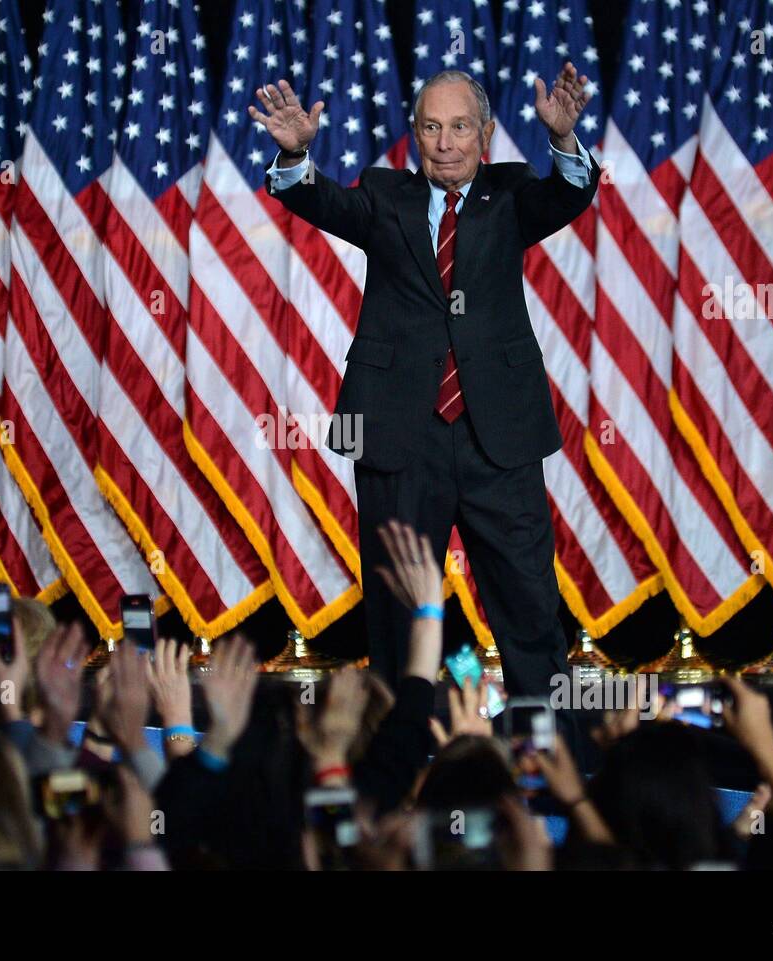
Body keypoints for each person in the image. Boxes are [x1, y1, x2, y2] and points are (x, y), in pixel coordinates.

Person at [250, 66, 598, 700]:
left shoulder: (512, 192)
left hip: (500, 438)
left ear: (485, 134)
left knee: (529, 614)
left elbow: (569, 196)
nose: (445, 142)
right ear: (414, 133)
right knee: (396, 620)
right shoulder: (386, 196)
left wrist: (565, 144)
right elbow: (317, 198)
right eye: (432, 127)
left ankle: (551, 774)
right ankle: (400, 769)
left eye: (460, 127)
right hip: (398, 438)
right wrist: (296, 152)